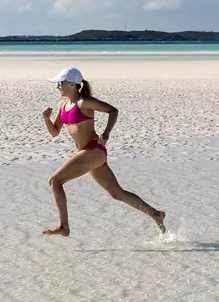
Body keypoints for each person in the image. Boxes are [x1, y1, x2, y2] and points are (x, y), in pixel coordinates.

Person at [40, 66, 166, 238]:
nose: (58, 87)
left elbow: (113, 111)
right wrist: (47, 119)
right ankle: (156, 214)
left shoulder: (85, 102)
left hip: (94, 150)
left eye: (60, 83)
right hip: (88, 154)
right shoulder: (63, 106)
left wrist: (106, 133)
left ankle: (64, 226)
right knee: (116, 193)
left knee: (55, 181)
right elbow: (54, 132)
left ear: (72, 84)